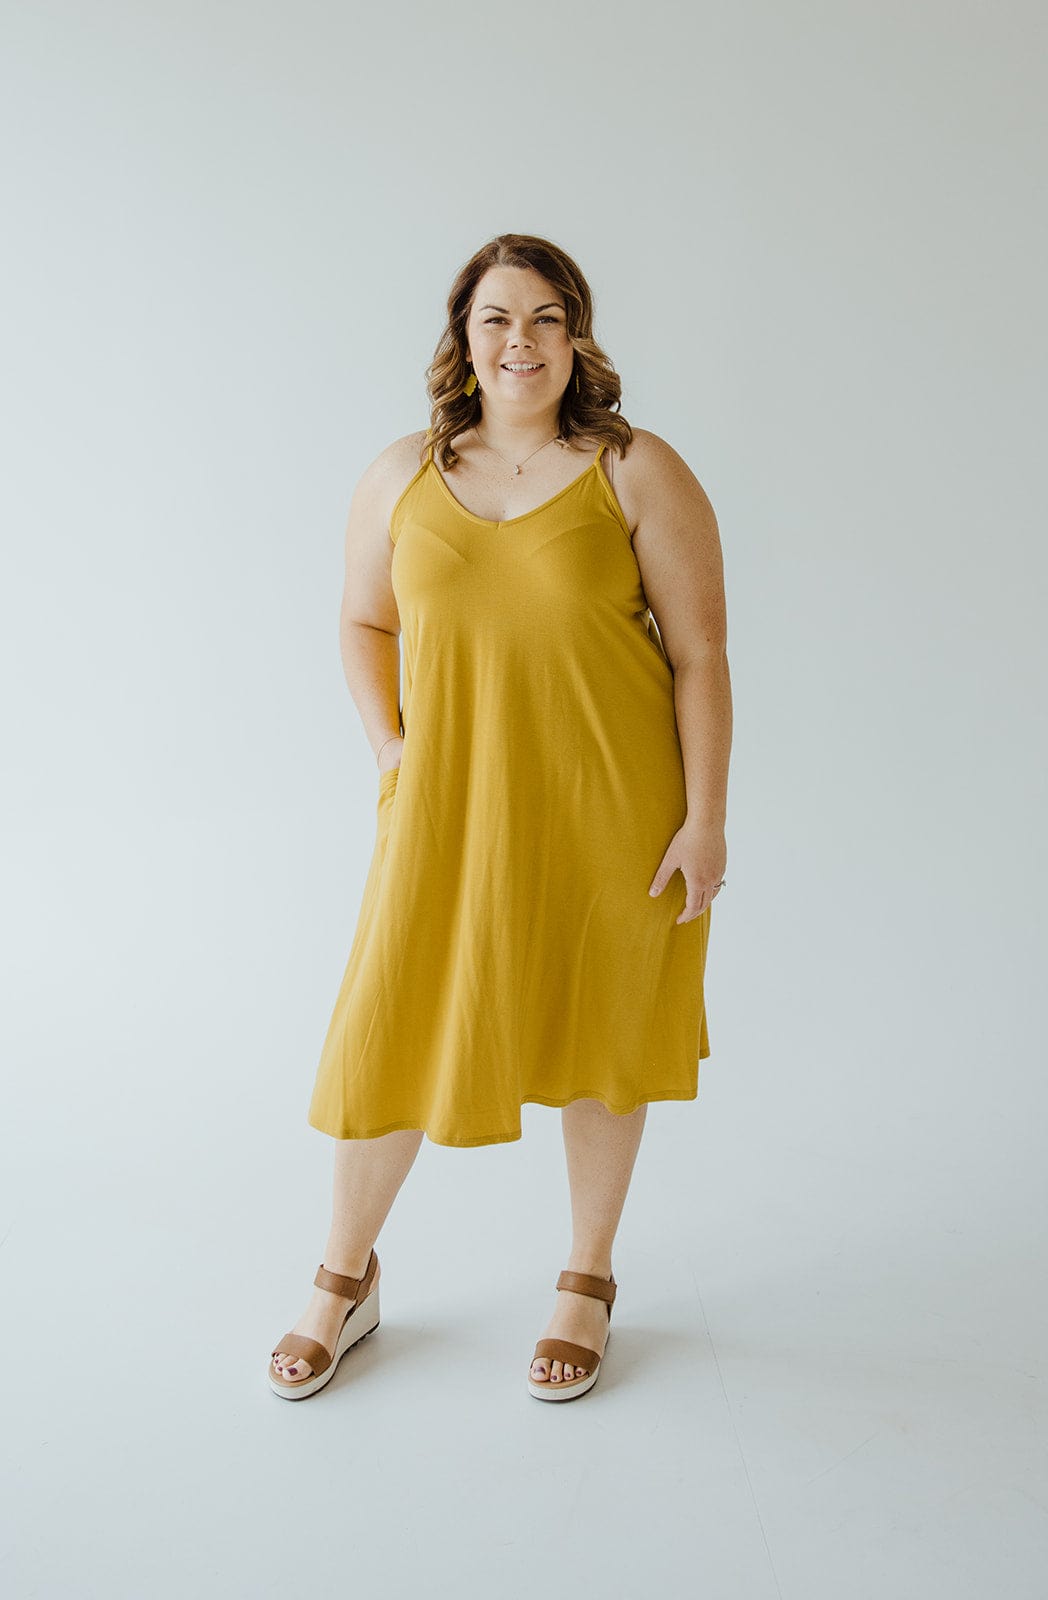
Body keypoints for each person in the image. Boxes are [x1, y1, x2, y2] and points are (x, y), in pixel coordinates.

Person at [268, 232, 732, 1403]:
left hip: (611, 807)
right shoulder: (401, 474)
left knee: (600, 1030)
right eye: (495, 319)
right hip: (446, 805)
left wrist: (706, 819)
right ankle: (342, 1276)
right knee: (392, 1021)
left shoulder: (637, 470)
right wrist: (390, 746)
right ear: (462, 339)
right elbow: (361, 623)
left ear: (575, 335)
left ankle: (585, 1278)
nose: (518, 340)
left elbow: (702, 655)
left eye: (543, 317)